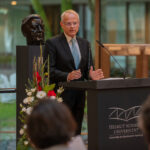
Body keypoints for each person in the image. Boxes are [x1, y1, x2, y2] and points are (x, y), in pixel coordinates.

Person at [44, 9, 104, 134]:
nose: (72, 26)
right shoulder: (52, 43)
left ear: (79, 24)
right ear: (62, 24)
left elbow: (88, 69)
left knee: (76, 131)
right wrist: (67, 76)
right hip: (61, 96)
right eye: (68, 23)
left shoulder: (85, 44)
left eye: (75, 23)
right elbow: (48, 70)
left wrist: (91, 75)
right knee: (61, 131)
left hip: (80, 96)